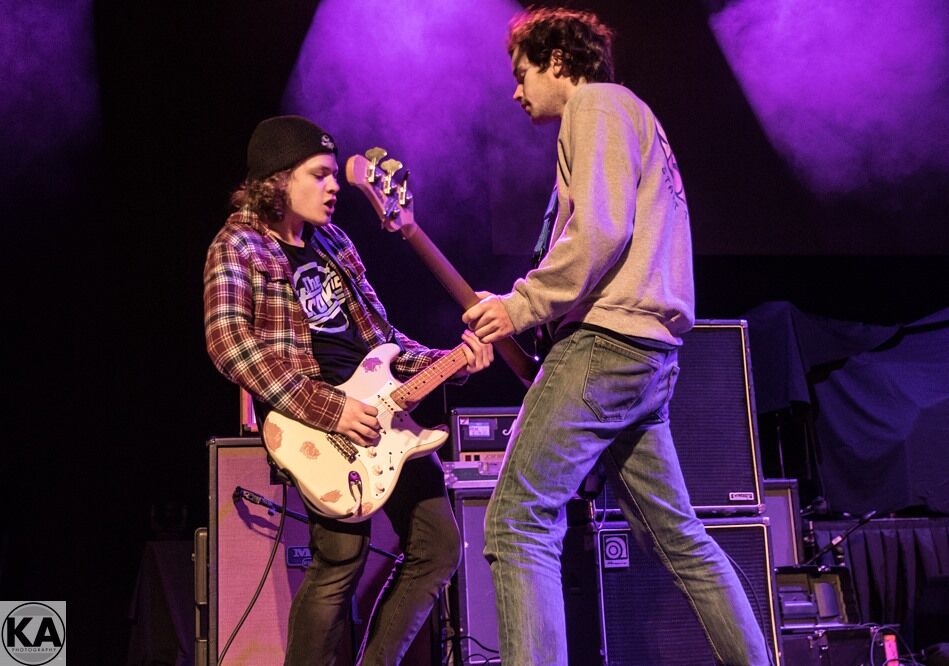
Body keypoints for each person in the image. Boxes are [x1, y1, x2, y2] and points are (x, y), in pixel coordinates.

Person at [462, 8, 770, 665]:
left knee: (517, 521)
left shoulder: (596, 104)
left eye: (522, 73)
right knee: (679, 538)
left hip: (604, 347)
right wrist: (526, 310)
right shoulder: (632, 116)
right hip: (647, 356)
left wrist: (522, 305)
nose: (515, 92)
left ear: (557, 61)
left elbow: (599, 232)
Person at [204, 115, 493, 665]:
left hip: (382, 415)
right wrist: (330, 409)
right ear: (277, 180)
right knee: (341, 557)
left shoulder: (334, 242)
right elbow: (228, 343)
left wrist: (452, 362)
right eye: (319, 174)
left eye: (335, 174)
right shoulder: (238, 245)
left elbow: (385, 341)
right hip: (313, 421)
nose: (334, 186)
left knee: (438, 547)